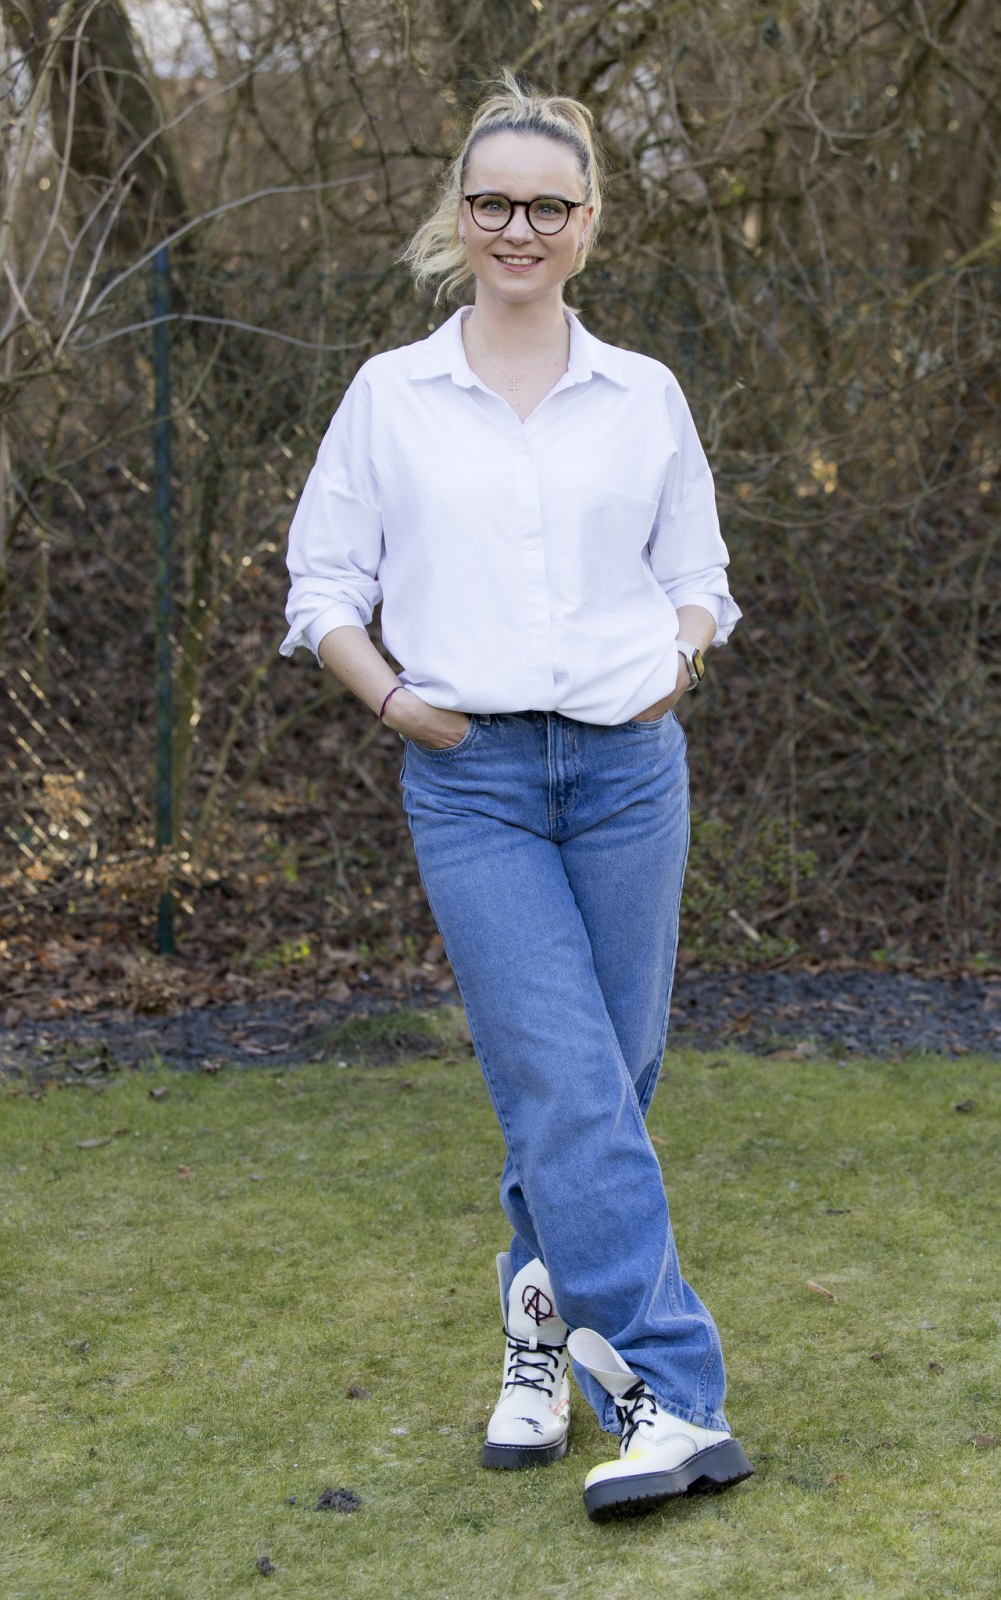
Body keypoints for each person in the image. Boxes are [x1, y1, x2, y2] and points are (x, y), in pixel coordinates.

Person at [280, 71, 752, 1523]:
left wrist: (680, 662)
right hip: (470, 779)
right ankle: (670, 1396)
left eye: (549, 206)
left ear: (588, 222)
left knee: (609, 1083)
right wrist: (396, 703)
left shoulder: (644, 394)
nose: (519, 228)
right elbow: (322, 587)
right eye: (493, 202)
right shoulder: (390, 396)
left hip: (627, 773)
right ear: (460, 213)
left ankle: (537, 1331)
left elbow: (699, 576)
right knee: (561, 1080)